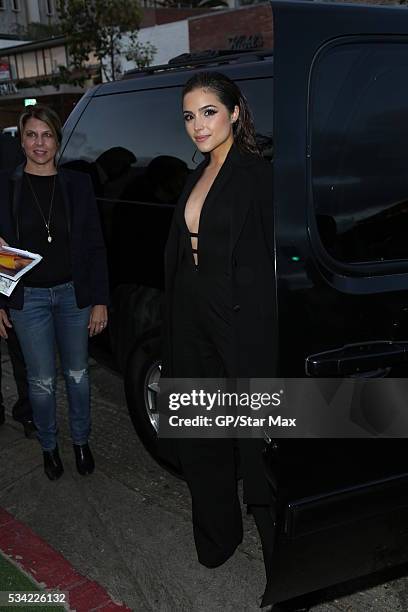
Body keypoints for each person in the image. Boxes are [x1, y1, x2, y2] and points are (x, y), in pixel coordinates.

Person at [161, 72, 277, 608]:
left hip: (239, 316)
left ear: (234, 112)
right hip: (191, 315)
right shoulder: (195, 174)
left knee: (257, 440)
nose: (198, 125)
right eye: (189, 116)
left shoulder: (257, 174)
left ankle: (282, 564)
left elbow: (276, 256)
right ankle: (217, 538)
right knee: (202, 434)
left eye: (209, 111)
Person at [0, 104, 109, 481]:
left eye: (47, 135)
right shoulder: (6, 186)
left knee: (78, 374)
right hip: (28, 300)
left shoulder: (77, 184)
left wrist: (99, 299)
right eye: (31, 135)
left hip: (72, 297)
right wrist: (1, 301)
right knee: (42, 381)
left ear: (58, 141)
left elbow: (95, 244)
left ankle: (81, 441)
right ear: (22, 140)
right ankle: (49, 446)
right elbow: (0, 250)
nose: (39, 143)